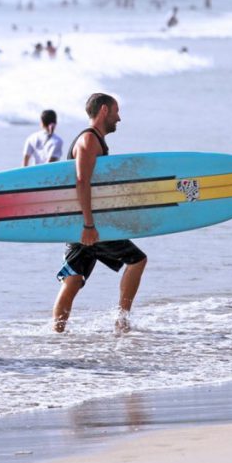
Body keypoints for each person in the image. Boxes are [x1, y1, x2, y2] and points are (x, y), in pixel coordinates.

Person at [52, 93, 147, 335]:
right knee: (137, 261)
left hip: (83, 223)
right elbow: (82, 181)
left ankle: (56, 335)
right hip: (90, 224)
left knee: (73, 280)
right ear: (104, 110)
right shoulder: (89, 140)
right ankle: (121, 320)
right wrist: (88, 225)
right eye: (116, 111)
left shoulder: (95, 140)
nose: (119, 118)